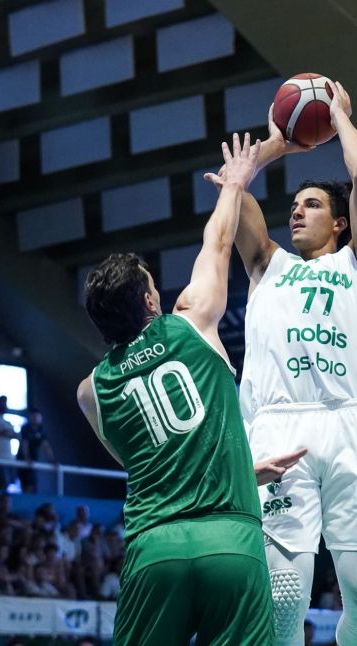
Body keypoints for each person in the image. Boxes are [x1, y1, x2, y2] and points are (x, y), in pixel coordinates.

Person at [77, 133, 305, 644]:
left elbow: (149, 459)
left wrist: (241, 469)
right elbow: (218, 242)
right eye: (152, 285)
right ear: (150, 302)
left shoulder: (91, 391)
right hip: (230, 538)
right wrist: (236, 183)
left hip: (155, 549)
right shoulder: (191, 320)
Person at [207, 80, 357, 645]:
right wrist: (279, 143)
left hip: (348, 425)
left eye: (311, 205)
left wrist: (338, 117)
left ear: (339, 223)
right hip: (279, 427)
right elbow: (235, 184)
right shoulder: (268, 264)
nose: (296, 211)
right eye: (293, 205)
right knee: (285, 600)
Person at [19, 407, 55, 493]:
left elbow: (46, 446)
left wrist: (52, 460)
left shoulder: (41, 429)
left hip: (34, 460)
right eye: (34, 417)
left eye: (37, 417)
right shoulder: (25, 428)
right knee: (26, 484)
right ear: (30, 417)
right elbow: (25, 444)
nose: (36, 419)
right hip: (23, 461)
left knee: (33, 484)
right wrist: (27, 458)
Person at [0, 395, 21, 490]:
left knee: (9, 484)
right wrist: (11, 432)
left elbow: (16, 435)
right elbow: (5, 433)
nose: (4, 406)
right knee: (2, 485)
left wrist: (11, 432)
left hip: (9, 458)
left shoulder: (6, 422)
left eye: (5, 404)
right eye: (2, 404)